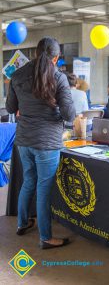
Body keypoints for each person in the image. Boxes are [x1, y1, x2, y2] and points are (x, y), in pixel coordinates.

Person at [6, 36, 76, 249]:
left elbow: (10, 108)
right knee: (44, 189)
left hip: (24, 141)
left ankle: (22, 223)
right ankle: (45, 238)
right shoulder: (59, 78)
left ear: (36, 53)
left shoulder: (17, 75)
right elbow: (69, 114)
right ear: (55, 59)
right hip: (47, 142)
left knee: (29, 181)